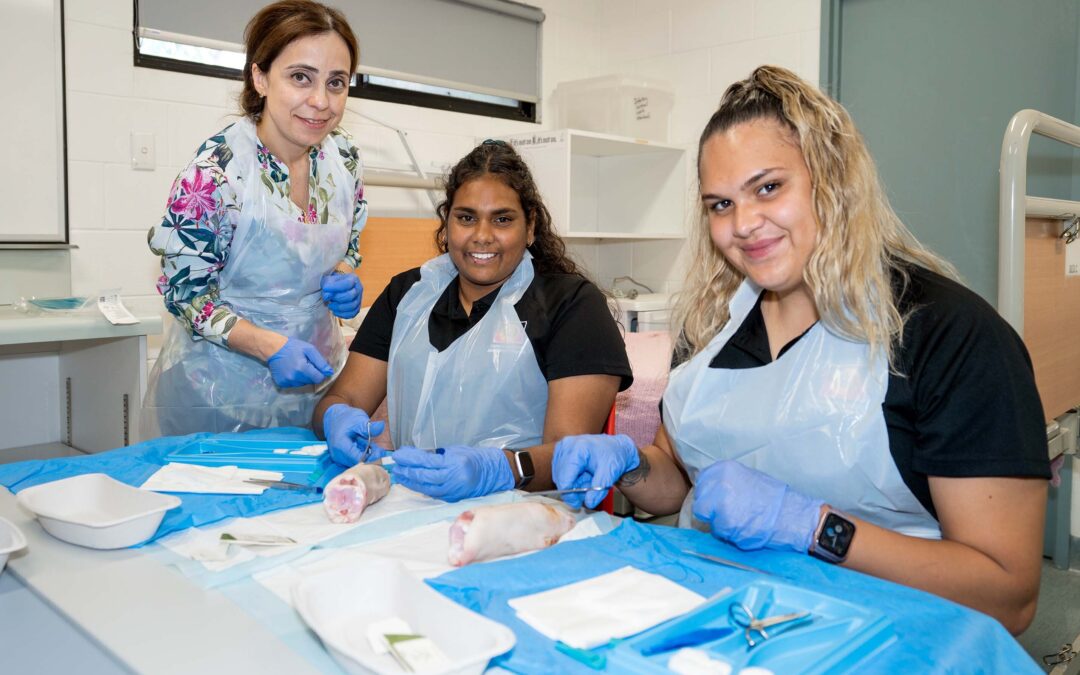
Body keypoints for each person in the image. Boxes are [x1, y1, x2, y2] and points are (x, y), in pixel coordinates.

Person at [551, 66, 1049, 635]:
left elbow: (1007, 596)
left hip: (883, 638)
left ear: (832, 179)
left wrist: (813, 527)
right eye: (720, 204)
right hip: (723, 621)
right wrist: (633, 464)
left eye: (768, 188)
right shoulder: (711, 326)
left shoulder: (947, 334)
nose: (744, 224)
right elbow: (681, 480)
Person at [313, 140, 633, 501]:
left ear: (530, 227)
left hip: (526, 511)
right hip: (411, 502)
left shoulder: (572, 305)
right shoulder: (407, 295)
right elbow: (343, 397)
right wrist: (335, 416)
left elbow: (570, 455)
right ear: (446, 222)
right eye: (466, 217)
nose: (482, 235)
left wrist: (498, 470)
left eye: (502, 219)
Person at [144, 0, 366, 437]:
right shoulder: (216, 174)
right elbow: (186, 295)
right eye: (300, 77)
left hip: (315, 386)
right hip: (217, 396)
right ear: (260, 77)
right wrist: (269, 346)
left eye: (336, 82)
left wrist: (344, 274)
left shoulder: (344, 159)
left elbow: (349, 243)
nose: (321, 101)